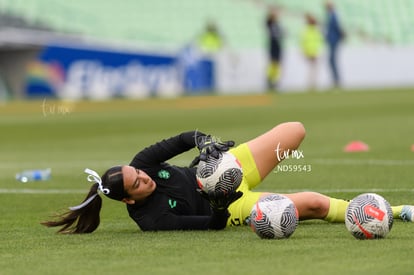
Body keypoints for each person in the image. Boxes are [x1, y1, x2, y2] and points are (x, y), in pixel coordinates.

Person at [42, 122, 414, 233]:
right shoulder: (153, 220)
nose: (144, 177)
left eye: (139, 173)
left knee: (294, 131)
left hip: (221, 169)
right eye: (138, 183)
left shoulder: (143, 163)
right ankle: (395, 211)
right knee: (314, 204)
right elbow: (209, 225)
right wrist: (221, 205)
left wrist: (206, 144)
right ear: (128, 200)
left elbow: (182, 138)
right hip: (232, 205)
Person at [301, 13, 324, 91]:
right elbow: (304, 42)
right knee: (313, 68)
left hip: (314, 51)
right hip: (311, 51)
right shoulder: (309, 30)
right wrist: (306, 51)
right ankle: (311, 84)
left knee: (313, 68)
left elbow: (319, 40)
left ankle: (312, 84)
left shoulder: (313, 29)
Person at [324, 1, 345, 88]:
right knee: (331, 61)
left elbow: (337, 28)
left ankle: (336, 81)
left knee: (332, 60)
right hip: (332, 40)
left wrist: (341, 36)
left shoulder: (334, 16)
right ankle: (336, 80)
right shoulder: (331, 16)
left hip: (334, 41)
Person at [265, 7, 284, 91]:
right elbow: (277, 33)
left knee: (277, 64)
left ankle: (274, 80)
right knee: (273, 63)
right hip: (273, 44)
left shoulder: (276, 23)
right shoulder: (270, 23)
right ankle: (270, 80)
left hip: (277, 44)